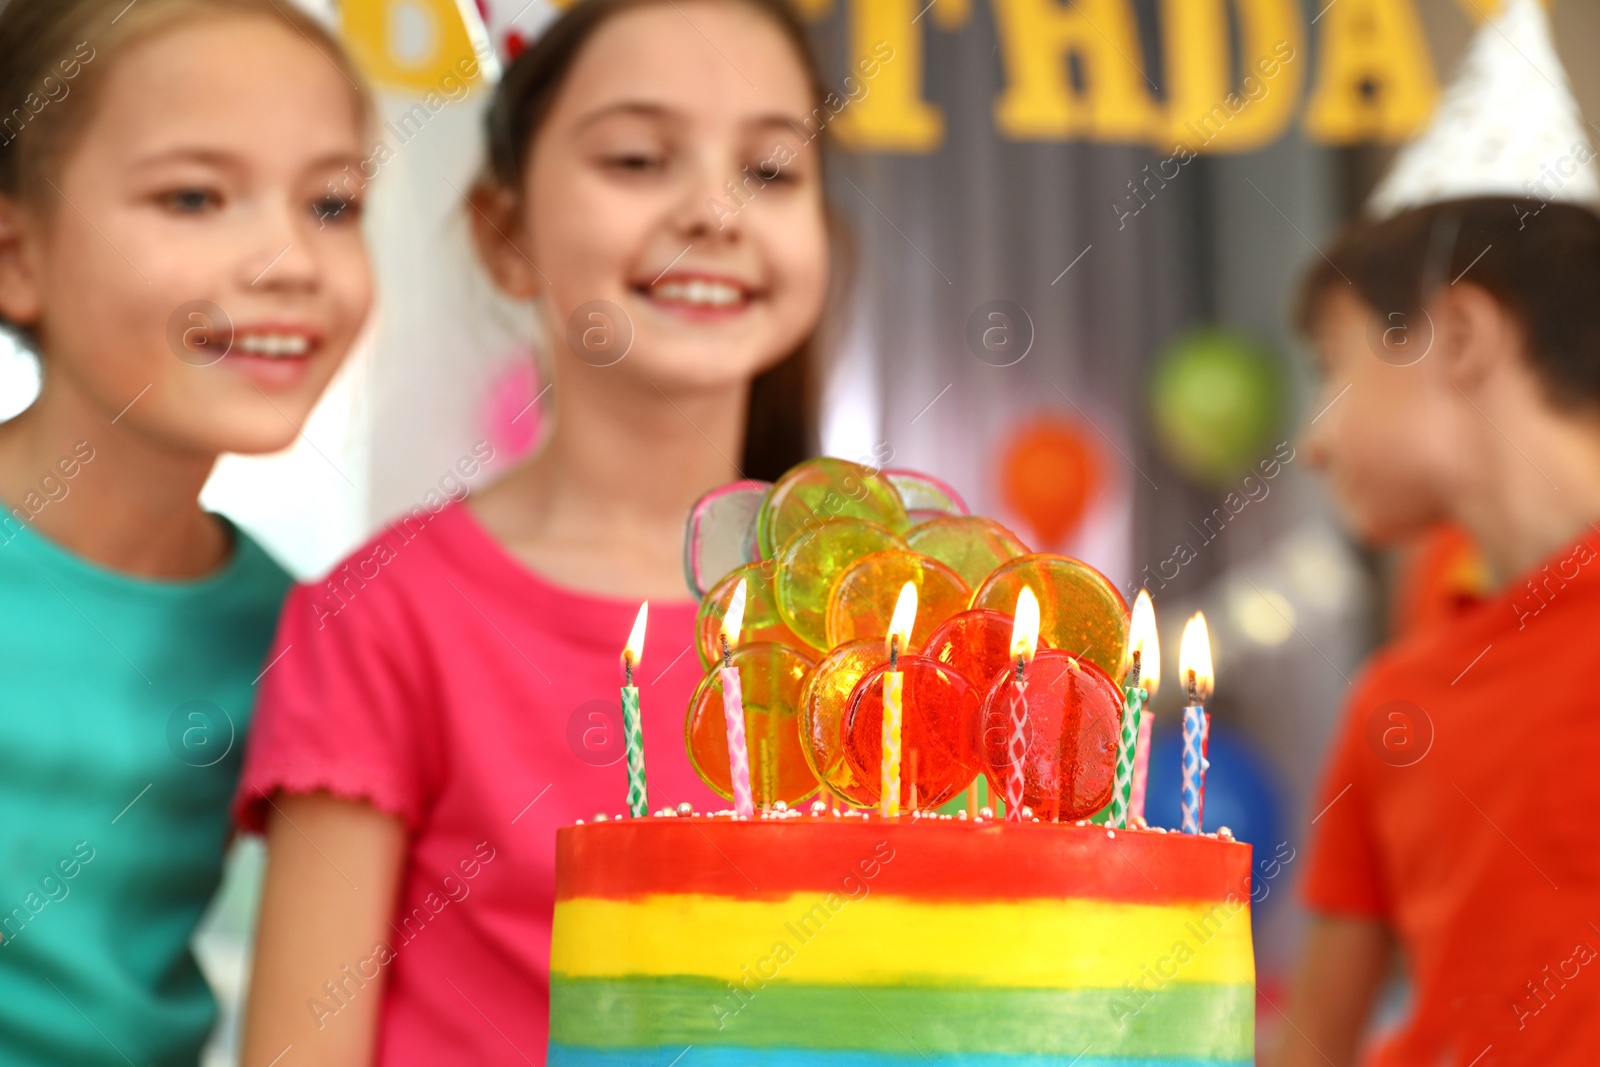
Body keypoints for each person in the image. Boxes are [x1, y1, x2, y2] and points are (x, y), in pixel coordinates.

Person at [235, 0, 844, 1061]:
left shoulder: (879, 611)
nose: (715, 208)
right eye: (638, 157)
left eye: (773, 170)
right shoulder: (381, 618)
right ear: (504, 231)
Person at [0, 1, 372, 1062]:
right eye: (195, 195)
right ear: (15, 257)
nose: (287, 259)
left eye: (333, 203)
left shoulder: (307, 633)